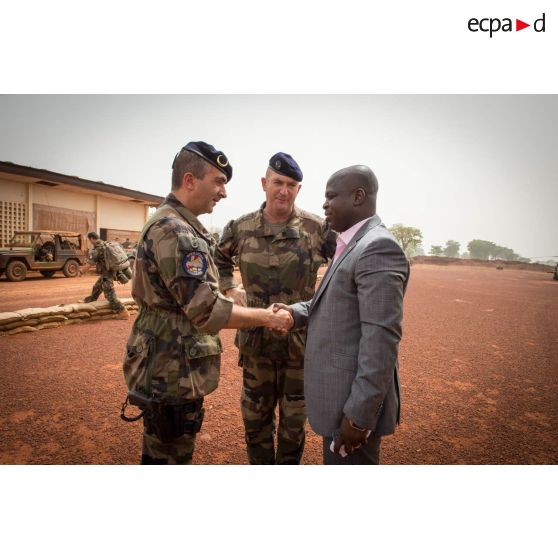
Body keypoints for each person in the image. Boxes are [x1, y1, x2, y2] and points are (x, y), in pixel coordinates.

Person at [121, 141, 293, 465]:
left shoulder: (174, 222)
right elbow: (206, 311)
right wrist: (266, 317)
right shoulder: (176, 231)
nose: (223, 192)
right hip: (170, 371)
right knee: (169, 458)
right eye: (218, 181)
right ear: (190, 180)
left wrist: (226, 291)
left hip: (165, 363)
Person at [275, 165, 409, 464]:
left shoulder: (378, 248)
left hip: (352, 407)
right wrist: (295, 312)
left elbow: (381, 339)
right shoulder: (351, 244)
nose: (324, 204)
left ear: (358, 197)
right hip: (339, 398)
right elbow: (333, 304)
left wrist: (360, 418)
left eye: (331, 196)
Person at [216, 152, 337, 464]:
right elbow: (218, 260)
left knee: (294, 425)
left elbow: (345, 263)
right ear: (264, 184)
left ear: (299, 189)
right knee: (255, 422)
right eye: (278, 182)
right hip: (256, 345)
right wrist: (229, 286)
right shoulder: (240, 228)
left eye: (292, 185)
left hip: (299, 346)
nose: (284, 190)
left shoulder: (317, 229)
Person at [84, 232, 129, 319]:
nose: (90, 241)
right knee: (97, 286)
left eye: (89, 240)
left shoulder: (97, 249)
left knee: (109, 293)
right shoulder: (105, 244)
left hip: (107, 274)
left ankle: (122, 311)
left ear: (92, 238)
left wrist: (81, 271)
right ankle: (90, 300)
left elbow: (90, 263)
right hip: (110, 271)